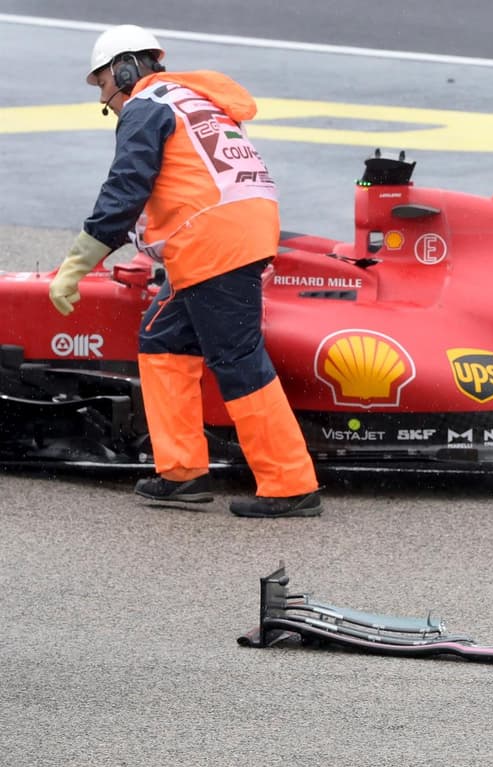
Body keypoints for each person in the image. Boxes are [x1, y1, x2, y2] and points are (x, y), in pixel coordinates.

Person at [51, 24, 321, 518]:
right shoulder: (191, 101)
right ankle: (181, 470)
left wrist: (76, 264)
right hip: (226, 236)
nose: (106, 99)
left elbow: (125, 188)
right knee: (163, 340)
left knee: (237, 358)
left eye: (104, 85)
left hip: (214, 242)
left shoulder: (146, 106)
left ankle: (289, 483)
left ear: (125, 68)